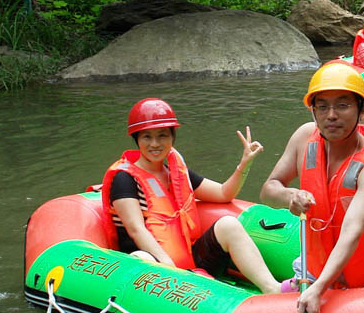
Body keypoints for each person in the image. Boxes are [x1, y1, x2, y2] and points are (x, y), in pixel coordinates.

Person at [260, 63, 364, 313]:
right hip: (314, 267)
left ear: (360, 109)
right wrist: (290, 196)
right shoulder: (303, 137)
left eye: (343, 105)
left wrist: (318, 289)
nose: (331, 115)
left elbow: (351, 234)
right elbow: (269, 188)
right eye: (322, 106)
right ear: (313, 110)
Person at [101, 98, 285, 293]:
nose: (155, 144)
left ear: (172, 138)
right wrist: (167, 265)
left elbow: (224, 193)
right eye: (147, 137)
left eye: (162, 135)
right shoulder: (124, 178)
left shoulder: (176, 174)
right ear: (137, 139)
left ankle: (272, 288)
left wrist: (244, 164)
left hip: (188, 260)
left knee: (228, 224)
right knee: (141, 258)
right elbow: (136, 229)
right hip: (153, 265)